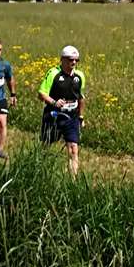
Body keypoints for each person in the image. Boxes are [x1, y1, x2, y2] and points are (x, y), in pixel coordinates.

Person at [38, 46, 86, 177]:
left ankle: (73, 182)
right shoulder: (53, 73)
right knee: (46, 146)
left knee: (73, 149)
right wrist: (54, 102)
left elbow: (81, 97)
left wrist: (81, 117)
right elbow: (41, 93)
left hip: (72, 117)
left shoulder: (80, 76)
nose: (74, 63)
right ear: (62, 60)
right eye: (71, 60)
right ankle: (39, 171)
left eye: (77, 60)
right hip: (54, 115)